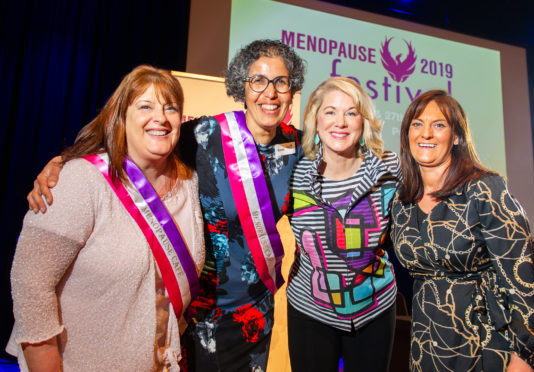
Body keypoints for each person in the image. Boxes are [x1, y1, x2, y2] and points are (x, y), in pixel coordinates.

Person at [26, 39, 306, 371]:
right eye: (258, 81)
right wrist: (62, 163)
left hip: (252, 315)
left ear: (292, 89)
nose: (270, 93)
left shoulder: (302, 148)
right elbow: (134, 141)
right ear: (240, 87)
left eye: (281, 82)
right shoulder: (204, 135)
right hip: (191, 312)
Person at [9, 65, 205, 371]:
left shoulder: (190, 184)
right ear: (121, 117)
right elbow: (31, 283)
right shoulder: (82, 180)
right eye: (145, 106)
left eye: (171, 108)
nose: (161, 117)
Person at [390, 89, 534, 371]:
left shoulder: (484, 189)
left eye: (439, 125)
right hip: (427, 342)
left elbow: (523, 276)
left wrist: (524, 353)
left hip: (490, 340)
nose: (426, 134)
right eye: (417, 124)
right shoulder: (401, 200)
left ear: (456, 137)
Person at [286, 77, 400, 372]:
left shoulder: (389, 168)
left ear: (364, 122)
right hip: (309, 309)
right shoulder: (294, 172)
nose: (341, 122)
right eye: (330, 112)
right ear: (315, 118)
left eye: (352, 112)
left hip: (373, 308)